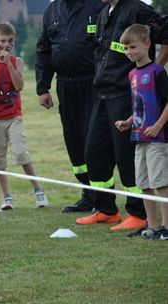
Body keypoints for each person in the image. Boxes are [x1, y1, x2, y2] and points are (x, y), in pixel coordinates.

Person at [76, 0, 168, 230]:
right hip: (102, 93)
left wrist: (150, 71)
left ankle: (138, 214)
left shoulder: (138, 9)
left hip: (126, 94)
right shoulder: (103, 13)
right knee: (93, 152)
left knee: (126, 156)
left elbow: (166, 32)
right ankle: (106, 209)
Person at [36, 0, 106, 213]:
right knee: (73, 140)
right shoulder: (52, 10)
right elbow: (44, 50)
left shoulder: (97, 6)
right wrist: (42, 87)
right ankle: (87, 193)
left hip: (93, 83)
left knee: (92, 141)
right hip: (65, 85)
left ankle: (103, 198)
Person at [0, 22, 48, 210]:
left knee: (21, 152)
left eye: (10, 41)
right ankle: (7, 197)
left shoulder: (17, 62)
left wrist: (8, 64)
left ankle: (38, 190)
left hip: (13, 116)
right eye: (2, 41)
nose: (6, 44)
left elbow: (19, 86)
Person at [115, 24, 168, 240]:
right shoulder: (131, 75)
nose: (129, 52)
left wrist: (158, 126)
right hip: (139, 138)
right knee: (144, 184)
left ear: (147, 45)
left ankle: (166, 226)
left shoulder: (157, 71)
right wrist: (129, 122)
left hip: (157, 138)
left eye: (132, 47)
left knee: (161, 182)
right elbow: (139, 106)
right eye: (125, 48)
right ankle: (152, 226)